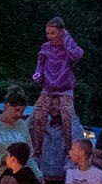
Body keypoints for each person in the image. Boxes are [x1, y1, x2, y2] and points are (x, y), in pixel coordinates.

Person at [30, 17, 84, 157]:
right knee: (37, 116)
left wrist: (67, 39)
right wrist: (38, 74)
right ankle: (36, 150)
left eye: (53, 33)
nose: (50, 36)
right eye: (48, 33)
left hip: (64, 88)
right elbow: (40, 64)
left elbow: (77, 54)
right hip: (48, 88)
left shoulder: (68, 47)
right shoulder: (45, 47)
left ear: (61, 32)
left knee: (68, 118)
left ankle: (69, 151)